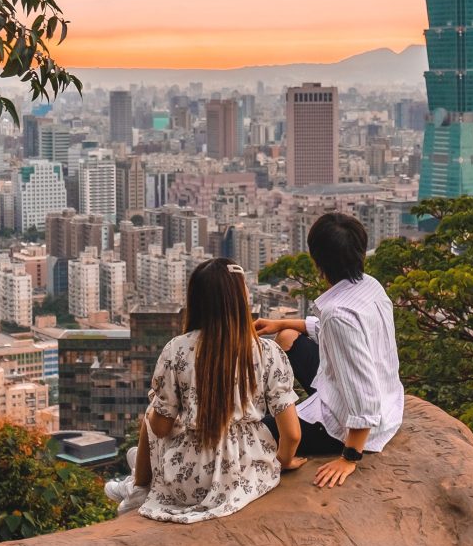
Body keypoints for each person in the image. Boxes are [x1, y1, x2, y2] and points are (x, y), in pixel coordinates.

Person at [107, 257, 306, 522]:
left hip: (186, 481)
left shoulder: (177, 349)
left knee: (154, 410)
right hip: (246, 474)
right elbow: (292, 434)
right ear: (240, 298)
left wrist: (157, 406)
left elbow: (162, 427)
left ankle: (138, 486)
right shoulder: (266, 351)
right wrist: (282, 462)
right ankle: (138, 482)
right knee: (159, 408)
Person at [254, 210, 404, 489]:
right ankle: (291, 409)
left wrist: (349, 457)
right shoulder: (370, 286)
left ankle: (290, 416)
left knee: (255, 434)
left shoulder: (338, 315)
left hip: (348, 426)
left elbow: (364, 392)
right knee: (287, 337)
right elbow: (336, 333)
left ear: (316, 261)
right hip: (383, 401)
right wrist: (282, 323)